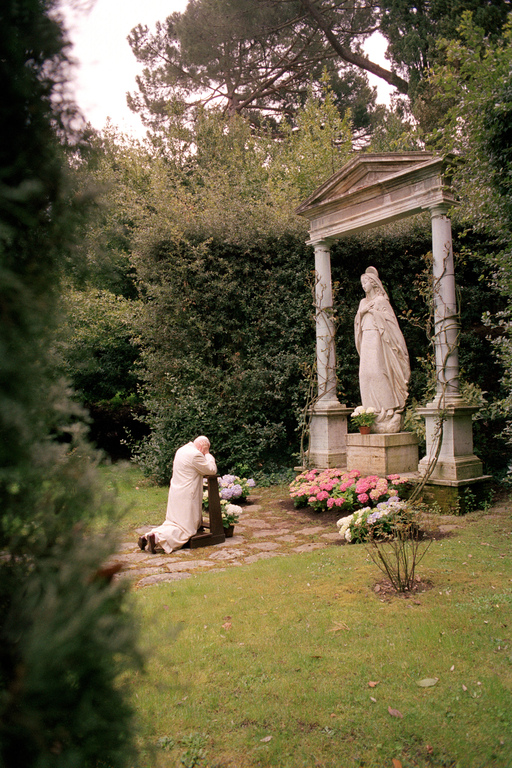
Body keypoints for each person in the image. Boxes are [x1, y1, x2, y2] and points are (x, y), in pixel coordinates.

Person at [354, 266, 410, 433]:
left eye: (365, 282)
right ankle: (371, 411)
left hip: (379, 339)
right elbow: (358, 322)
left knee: (378, 372)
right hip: (366, 338)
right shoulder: (363, 302)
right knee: (365, 374)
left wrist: (374, 313)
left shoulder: (381, 301)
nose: (363, 285)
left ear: (373, 283)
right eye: (362, 283)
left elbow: (391, 323)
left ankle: (389, 407)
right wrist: (362, 312)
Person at [138, 436, 217, 554]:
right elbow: (211, 470)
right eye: (206, 448)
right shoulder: (195, 455)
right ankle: (157, 538)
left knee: (172, 522)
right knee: (185, 529)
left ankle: (148, 535)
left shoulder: (181, 450)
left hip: (176, 493)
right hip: (187, 497)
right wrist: (208, 454)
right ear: (203, 446)